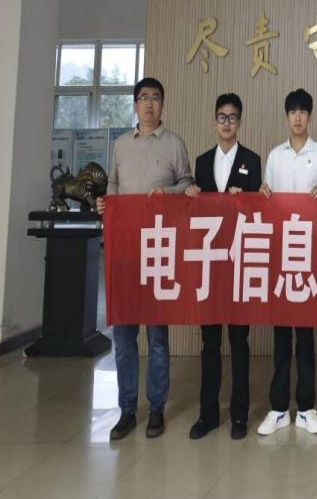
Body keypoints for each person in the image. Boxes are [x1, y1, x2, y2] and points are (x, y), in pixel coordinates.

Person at [96, 77, 193, 442]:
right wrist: (106, 203)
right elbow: (113, 186)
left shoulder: (174, 144)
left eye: (155, 98)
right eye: (143, 98)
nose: (149, 104)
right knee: (123, 337)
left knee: (157, 337)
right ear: (135, 105)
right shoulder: (121, 145)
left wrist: (166, 191)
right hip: (124, 253)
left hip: (158, 252)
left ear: (162, 105)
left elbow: (188, 185)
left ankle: (156, 408)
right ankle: (126, 409)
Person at [184, 93, 262, 441]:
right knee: (210, 343)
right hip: (210, 262)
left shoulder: (252, 161)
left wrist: (242, 199)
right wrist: (190, 196)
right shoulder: (201, 162)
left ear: (240, 122)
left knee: (239, 342)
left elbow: (259, 210)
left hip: (240, 261)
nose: (227, 123)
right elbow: (193, 211)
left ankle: (240, 415)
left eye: (232, 117)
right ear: (214, 122)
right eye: (221, 117)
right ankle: (208, 413)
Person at [258, 88, 317, 436]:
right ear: (286, 117)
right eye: (293, 112)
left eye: (303, 112)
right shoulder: (275, 156)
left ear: (310, 117)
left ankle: (306, 407)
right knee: (281, 336)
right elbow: (267, 203)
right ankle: (277, 408)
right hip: (280, 253)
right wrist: (262, 195)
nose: (298, 117)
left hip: (308, 251)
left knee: (305, 335)